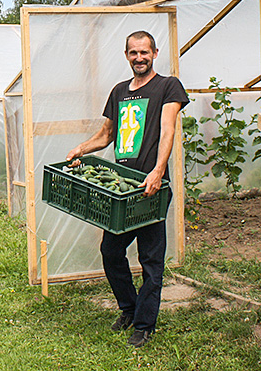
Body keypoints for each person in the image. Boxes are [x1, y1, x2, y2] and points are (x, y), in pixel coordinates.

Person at [66, 30, 188, 348]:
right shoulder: (120, 91)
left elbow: (167, 129)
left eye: (144, 52)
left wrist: (158, 171)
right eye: (133, 53)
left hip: (150, 188)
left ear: (154, 53)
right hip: (122, 189)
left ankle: (144, 325)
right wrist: (81, 148)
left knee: (150, 259)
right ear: (126, 55)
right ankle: (130, 309)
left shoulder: (168, 86)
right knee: (111, 251)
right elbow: (106, 135)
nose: (139, 58)